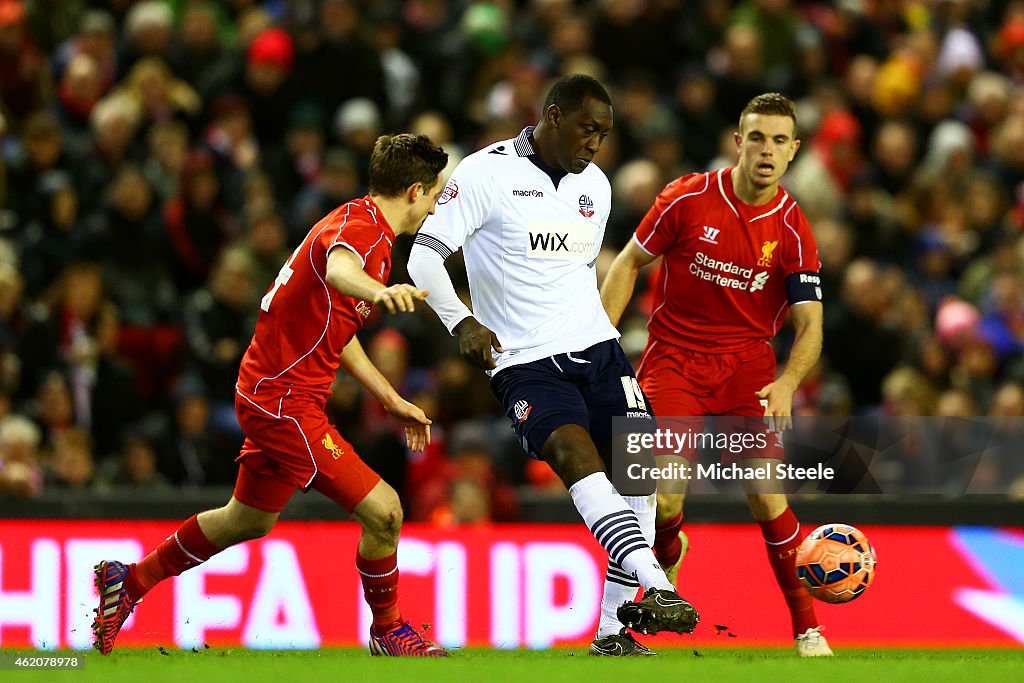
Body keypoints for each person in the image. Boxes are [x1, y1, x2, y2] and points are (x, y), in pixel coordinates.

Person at [92, 133, 450, 658]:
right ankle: (389, 631)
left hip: (271, 391)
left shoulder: (356, 219)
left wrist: (389, 397)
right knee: (386, 512)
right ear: (416, 190)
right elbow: (339, 271)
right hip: (283, 399)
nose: (436, 203)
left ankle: (130, 581)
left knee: (248, 519)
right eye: (435, 192)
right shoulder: (364, 234)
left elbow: (338, 330)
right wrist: (379, 292)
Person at [407, 74, 699, 656]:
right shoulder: (485, 173)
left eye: (605, 134)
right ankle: (659, 586)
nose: (595, 143)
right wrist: (460, 321)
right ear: (552, 114)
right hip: (523, 362)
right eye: (587, 128)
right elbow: (424, 256)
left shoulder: (597, 186)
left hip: (598, 350)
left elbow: (577, 275)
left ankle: (613, 632)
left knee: (638, 479)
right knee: (576, 459)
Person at [600, 93, 831, 657]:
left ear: (794, 151)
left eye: (779, 141)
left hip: (748, 369)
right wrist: (602, 344)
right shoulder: (687, 198)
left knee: (766, 497)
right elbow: (629, 261)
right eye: (757, 137)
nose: (767, 150)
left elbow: (811, 325)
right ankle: (664, 559)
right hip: (675, 358)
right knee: (661, 494)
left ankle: (807, 628)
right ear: (738, 141)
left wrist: (786, 383)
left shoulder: (794, 229)